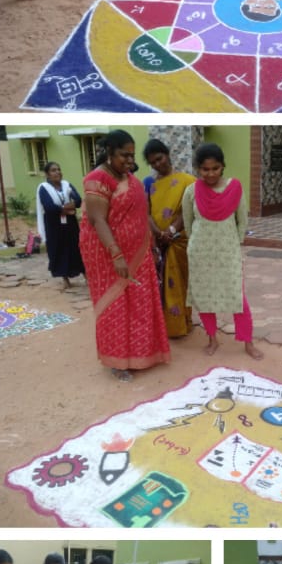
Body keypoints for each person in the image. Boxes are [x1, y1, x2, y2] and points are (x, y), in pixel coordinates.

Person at [80, 130, 171, 380]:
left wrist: (150, 246)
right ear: (109, 153)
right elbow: (98, 220)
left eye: (132, 156)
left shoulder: (130, 179)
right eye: (124, 155)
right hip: (108, 255)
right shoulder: (97, 179)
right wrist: (116, 255)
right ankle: (117, 362)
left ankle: (142, 353)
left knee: (140, 301)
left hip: (138, 253)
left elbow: (141, 216)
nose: (130, 161)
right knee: (116, 305)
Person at [181, 142, 264, 361]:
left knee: (238, 297)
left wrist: (233, 246)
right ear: (198, 168)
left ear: (223, 166)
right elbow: (188, 225)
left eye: (215, 168)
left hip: (228, 252)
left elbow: (242, 221)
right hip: (201, 253)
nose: (210, 173)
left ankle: (248, 342)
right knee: (205, 298)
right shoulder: (191, 191)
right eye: (205, 169)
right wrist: (196, 246)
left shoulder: (234, 188)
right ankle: (212, 339)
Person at [142, 139, 196, 340]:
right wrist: (158, 233)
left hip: (180, 241)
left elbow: (189, 210)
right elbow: (146, 213)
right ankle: (168, 325)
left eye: (159, 158)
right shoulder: (150, 185)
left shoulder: (188, 181)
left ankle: (183, 322)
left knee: (181, 283)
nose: (157, 164)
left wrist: (172, 230)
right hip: (158, 242)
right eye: (153, 162)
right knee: (161, 285)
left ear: (167, 154)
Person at [36, 161, 84, 290]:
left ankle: (85, 274)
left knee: (76, 246)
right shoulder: (43, 188)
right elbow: (49, 207)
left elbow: (78, 201)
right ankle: (65, 278)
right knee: (59, 248)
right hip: (54, 226)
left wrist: (63, 208)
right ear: (47, 174)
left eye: (58, 169)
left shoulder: (66, 185)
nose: (57, 172)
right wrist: (68, 209)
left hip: (70, 224)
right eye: (53, 170)